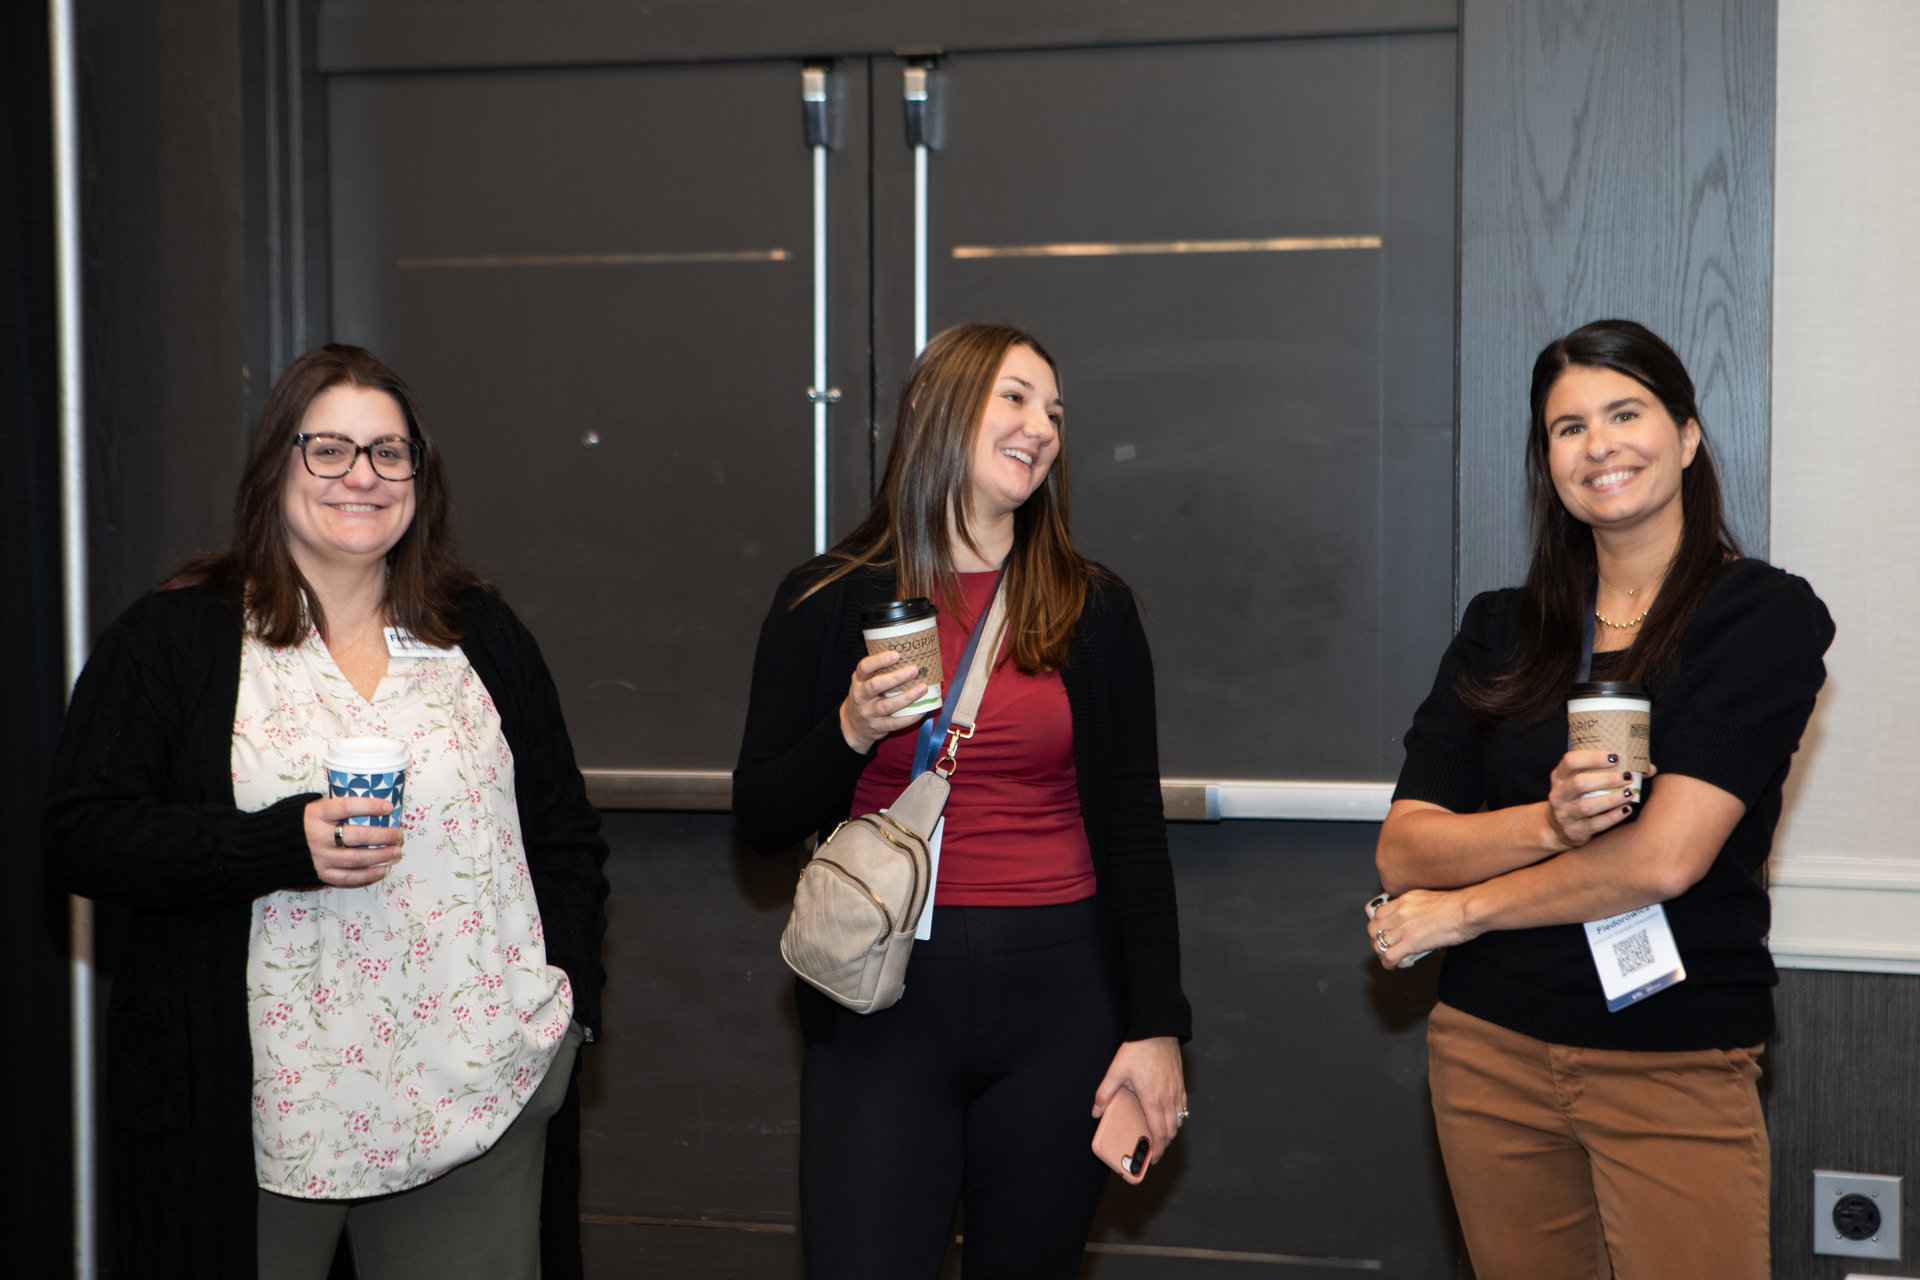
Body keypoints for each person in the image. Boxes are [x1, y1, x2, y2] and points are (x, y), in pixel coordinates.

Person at [44, 345, 610, 1280]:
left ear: (420, 477)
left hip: (475, 1094)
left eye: (389, 452)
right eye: (330, 449)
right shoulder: (174, 638)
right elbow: (82, 835)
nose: (363, 476)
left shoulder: (477, 631)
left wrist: (563, 1010)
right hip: (262, 1109)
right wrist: (277, 842)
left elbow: (562, 833)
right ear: (277, 465)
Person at [1368, 320, 1833, 1279]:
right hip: (1488, 1048)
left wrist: (1460, 910)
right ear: (1548, 462)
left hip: (1672, 1053)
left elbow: (1663, 860)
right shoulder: (1500, 629)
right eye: (1568, 427)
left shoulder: (1759, 616)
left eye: (1625, 413)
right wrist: (1547, 824)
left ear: (1688, 436)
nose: (1599, 446)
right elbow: (1405, 849)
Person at [734, 323, 1191, 1277]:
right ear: (934, 411)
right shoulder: (824, 599)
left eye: (1054, 411)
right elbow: (761, 819)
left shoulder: (1094, 608)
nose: (1042, 427)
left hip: (1062, 1001)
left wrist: (1156, 1029)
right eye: (1014, 398)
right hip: (881, 1001)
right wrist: (850, 729)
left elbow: (1134, 832)